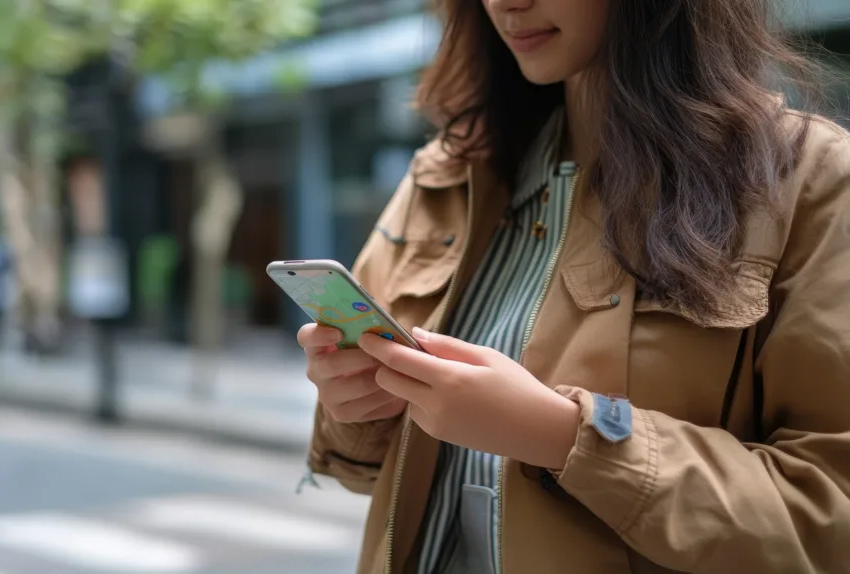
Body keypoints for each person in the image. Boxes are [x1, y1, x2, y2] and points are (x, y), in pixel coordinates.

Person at [298, 0, 850, 573]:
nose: (505, 4)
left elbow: (830, 518)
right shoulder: (448, 170)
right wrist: (356, 404)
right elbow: (356, 469)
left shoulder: (803, 180)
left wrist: (568, 438)